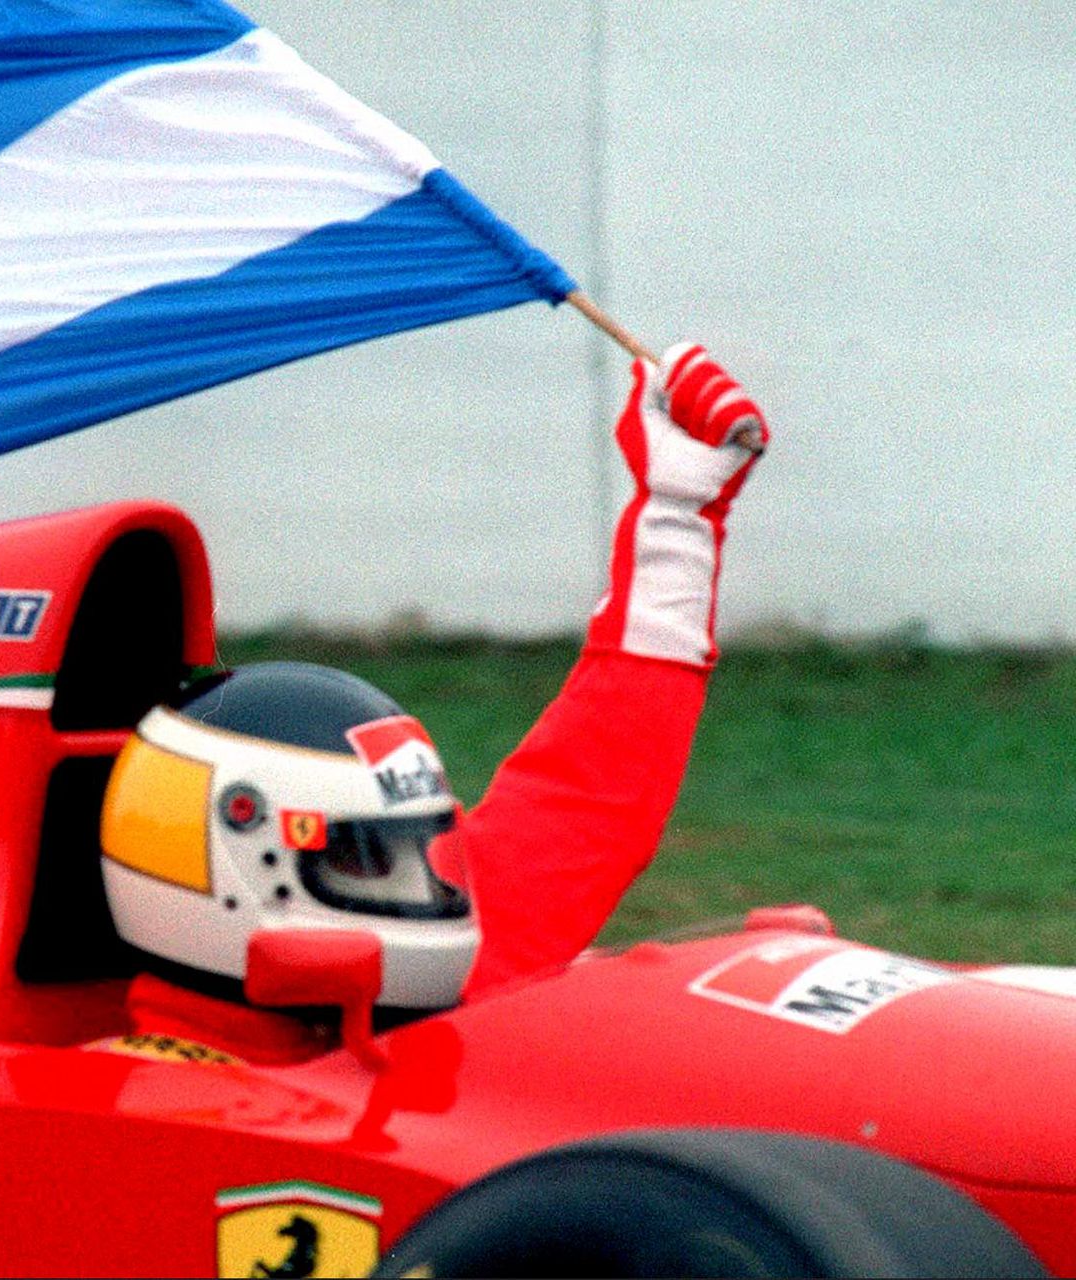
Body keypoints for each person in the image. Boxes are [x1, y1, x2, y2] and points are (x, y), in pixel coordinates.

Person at [96, 345, 769, 1060]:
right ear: (234, 875)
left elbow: (591, 795)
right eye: (368, 860)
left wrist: (677, 519)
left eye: (422, 852)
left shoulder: (425, 972)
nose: (427, 890)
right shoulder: (108, 1107)